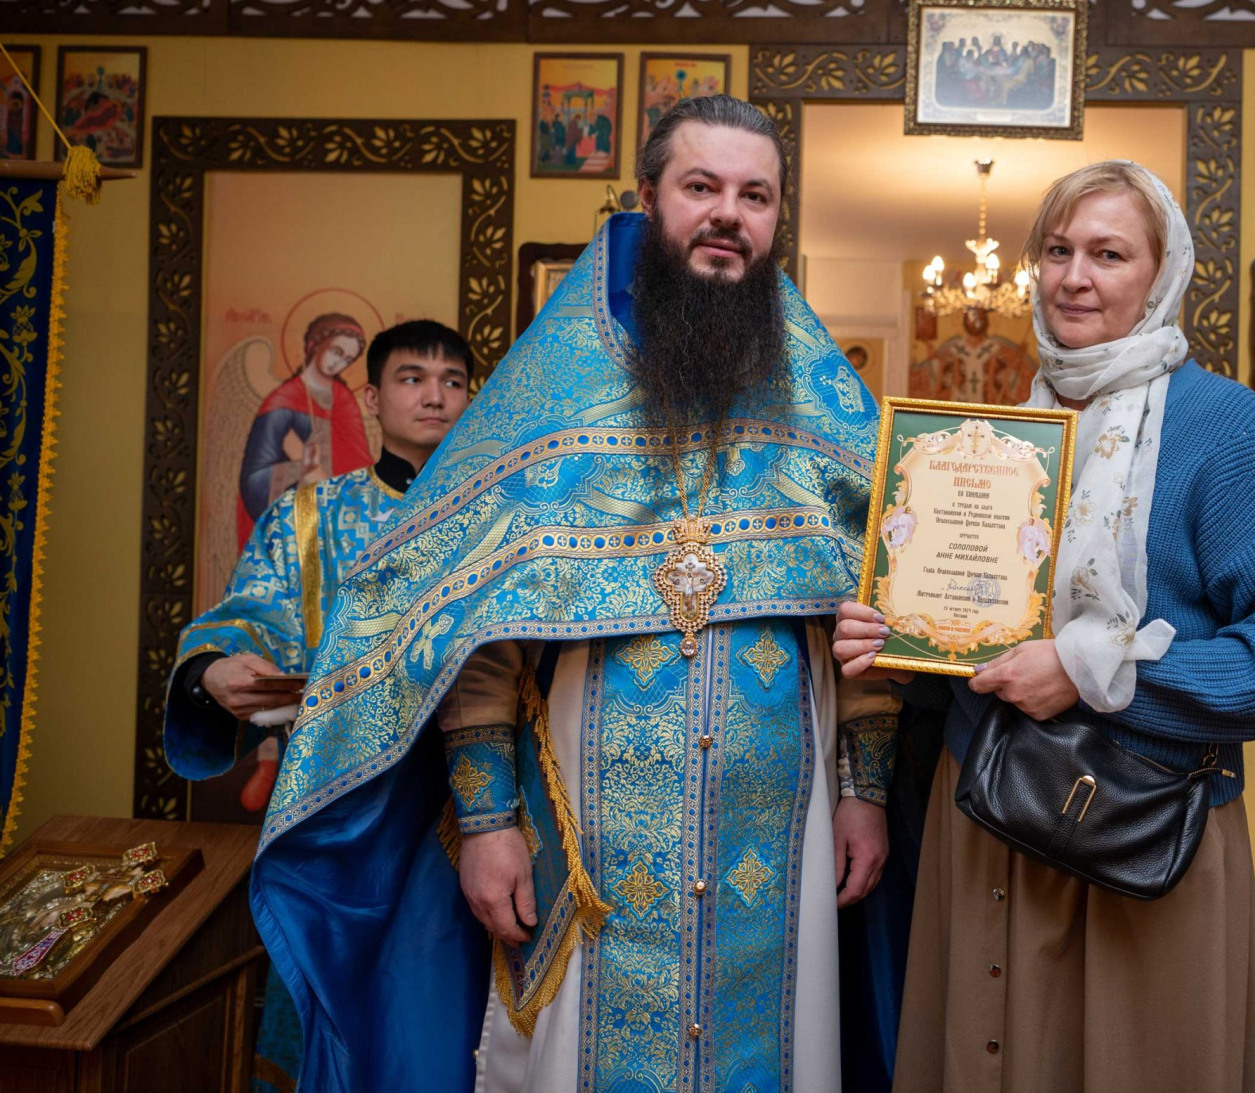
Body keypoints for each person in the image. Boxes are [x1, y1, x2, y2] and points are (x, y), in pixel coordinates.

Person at [250, 95, 897, 1093]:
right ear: (649, 198)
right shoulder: (542, 397)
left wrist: (866, 791)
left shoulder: (824, 402)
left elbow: (872, 607)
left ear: (776, 218)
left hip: (782, 833)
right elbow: (473, 630)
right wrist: (488, 821)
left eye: (756, 195)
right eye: (702, 187)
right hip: (587, 833)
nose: (728, 214)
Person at [837, 160, 1255, 1092]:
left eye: (1109, 254)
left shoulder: (1228, 430)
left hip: (1141, 835)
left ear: (1163, 274)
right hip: (985, 823)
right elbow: (982, 648)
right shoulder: (992, 440)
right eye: (1058, 250)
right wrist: (901, 644)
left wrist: (1089, 670)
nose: (1075, 277)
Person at [165, 318, 474, 1093]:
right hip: (340, 810)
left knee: (443, 1028)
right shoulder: (311, 518)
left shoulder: (503, 521)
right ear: (370, 397)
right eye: (412, 378)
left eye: (453, 381)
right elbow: (250, 614)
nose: (435, 396)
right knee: (337, 1023)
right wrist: (211, 669)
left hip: (466, 808)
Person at [237, 312, 375, 546]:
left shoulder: (344, 401)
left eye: (348, 359)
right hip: (296, 525)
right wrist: (303, 472)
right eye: (336, 352)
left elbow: (361, 465)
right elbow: (253, 479)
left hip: (341, 522)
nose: (339, 363)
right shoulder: (283, 401)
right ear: (316, 344)